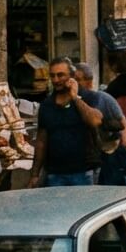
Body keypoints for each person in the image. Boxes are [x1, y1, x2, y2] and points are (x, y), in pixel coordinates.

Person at [31, 58, 105, 187]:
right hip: (55, 173)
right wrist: (35, 174)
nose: (56, 80)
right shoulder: (47, 105)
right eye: (52, 76)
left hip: (83, 172)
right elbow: (42, 141)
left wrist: (75, 98)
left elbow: (95, 121)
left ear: (71, 76)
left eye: (60, 75)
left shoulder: (88, 97)